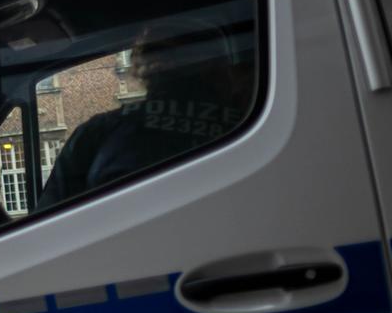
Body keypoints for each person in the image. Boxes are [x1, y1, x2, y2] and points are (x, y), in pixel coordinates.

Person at [37, 17, 253, 211]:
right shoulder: (246, 126)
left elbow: (46, 224)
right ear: (216, 67)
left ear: (141, 70)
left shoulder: (98, 133)